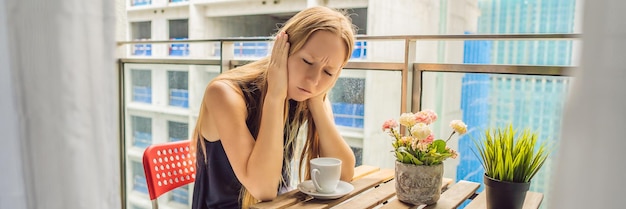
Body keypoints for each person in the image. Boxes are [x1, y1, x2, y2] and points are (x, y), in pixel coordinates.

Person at [190, 6, 357, 209]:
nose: (313, 80)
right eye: (307, 61)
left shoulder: (306, 94)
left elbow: (344, 174)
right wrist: (275, 97)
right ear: (283, 49)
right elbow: (263, 189)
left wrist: (316, 102)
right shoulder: (224, 93)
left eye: (329, 72)